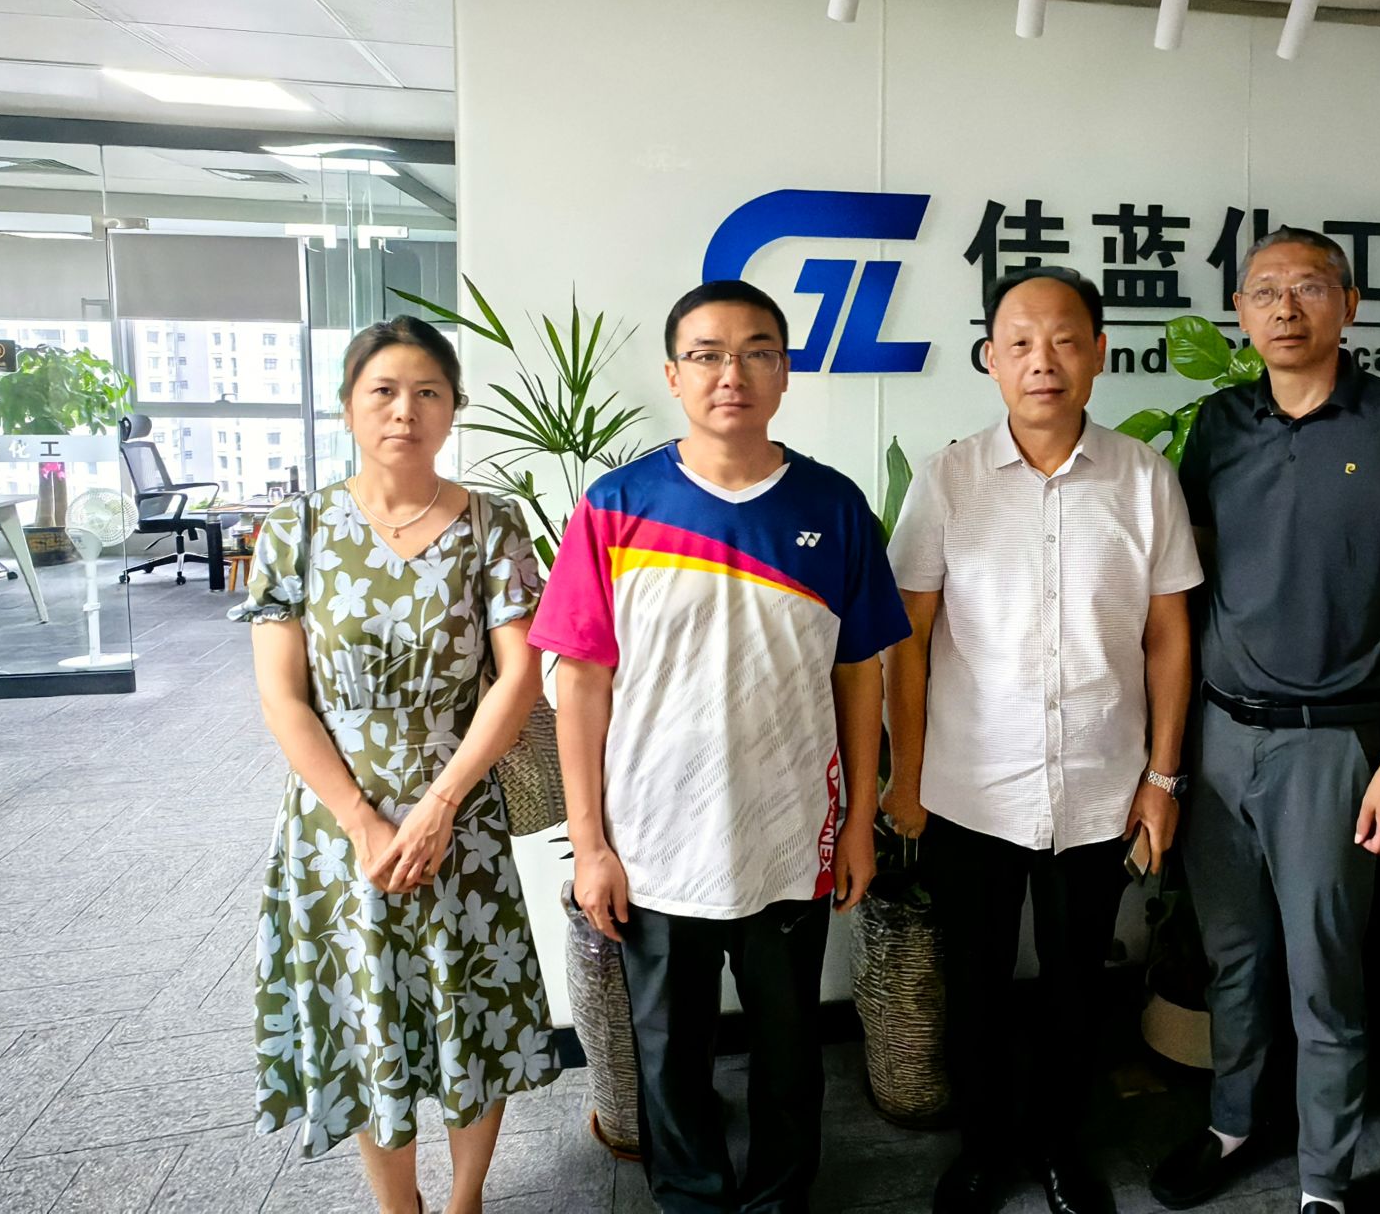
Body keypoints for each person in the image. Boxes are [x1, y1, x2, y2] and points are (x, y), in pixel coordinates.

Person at [531, 278, 909, 1214]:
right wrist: (590, 845)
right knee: (669, 1056)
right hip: (654, 845)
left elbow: (861, 673)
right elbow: (579, 683)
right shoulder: (617, 507)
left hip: (790, 838)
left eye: (755, 352)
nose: (730, 373)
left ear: (784, 372)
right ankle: (692, 1200)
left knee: (789, 1053)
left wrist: (860, 822)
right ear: (674, 375)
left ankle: (781, 1198)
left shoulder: (834, 506)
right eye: (706, 355)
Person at [1155, 228, 1380, 1214]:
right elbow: (1187, 580)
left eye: (1306, 288)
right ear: (1239, 315)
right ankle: (1233, 1122)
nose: (1284, 308)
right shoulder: (1218, 424)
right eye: (1263, 291)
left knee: (1324, 971)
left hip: (1333, 743)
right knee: (1234, 957)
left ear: (1348, 303)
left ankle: (1324, 1180)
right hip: (1217, 736)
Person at [884, 267, 1202, 1214]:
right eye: (1020, 342)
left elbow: (1170, 636)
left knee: (1076, 986)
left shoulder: (1144, 479)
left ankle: (1063, 1148)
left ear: (1098, 353)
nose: (1043, 361)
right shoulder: (947, 480)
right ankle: (984, 1150)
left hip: (1102, 784)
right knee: (975, 985)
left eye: (1065, 340)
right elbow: (908, 638)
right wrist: (906, 776)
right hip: (970, 788)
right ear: (990, 359)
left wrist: (1163, 779)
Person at [237, 316, 556, 1214]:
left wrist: (441, 803)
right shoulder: (296, 528)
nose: (404, 410)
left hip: (461, 810)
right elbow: (283, 698)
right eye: (382, 391)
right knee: (367, 1010)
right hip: (339, 824)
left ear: (453, 409)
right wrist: (363, 821)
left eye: (428, 392)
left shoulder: (492, 523)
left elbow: (519, 675)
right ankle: (398, 1207)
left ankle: (464, 1200)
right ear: (347, 407)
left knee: (471, 1007)